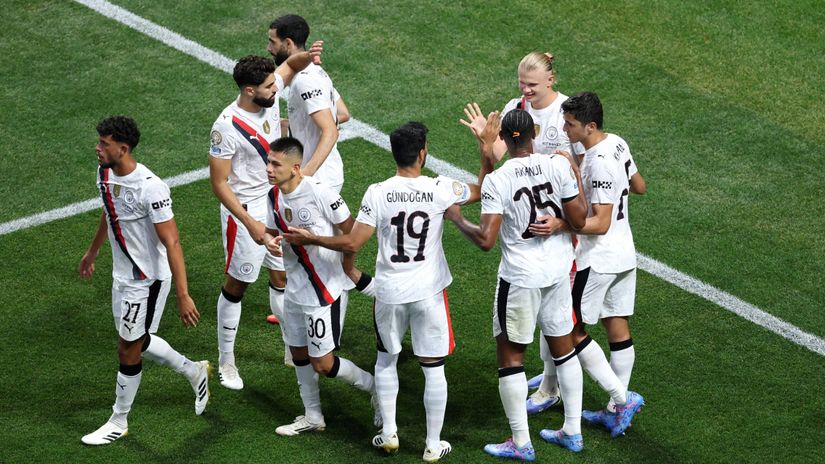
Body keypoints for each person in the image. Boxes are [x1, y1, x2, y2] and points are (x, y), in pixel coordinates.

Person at [282, 120, 490, 462]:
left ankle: (389, 432)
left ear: (395, 154)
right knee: (433, 367)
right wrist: (485, 153)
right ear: (422, 154)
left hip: (389, 292)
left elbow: (352, 241)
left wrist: (313, 238)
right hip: (428, 292)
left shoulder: (377, 192)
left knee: (386, 360)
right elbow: (482, 189)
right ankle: (432, 445)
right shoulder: (440, 188)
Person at [447, 109, 590, 457]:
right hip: (558, 271)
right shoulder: (557, 165)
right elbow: (580, 219)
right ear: (532, 134)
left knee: (510, 358)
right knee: (564, 349)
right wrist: (557, 222)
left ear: (504, 139)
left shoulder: (498, 180)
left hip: (522, 278)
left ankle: (521, 443)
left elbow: (485, 240)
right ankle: (572, 430)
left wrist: (456, 218)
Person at [460, 51, 585, 415]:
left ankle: (552, 389)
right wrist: (486, 141)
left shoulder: (566, 113)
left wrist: (564, 222)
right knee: (554, 319)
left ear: (551, 80)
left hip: (562, 230)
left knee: (554, 325)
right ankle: (551, 384)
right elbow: (498, 156)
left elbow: (582, 177)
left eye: (532, 84)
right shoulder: (516, 107)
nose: (525, 90)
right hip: (532, 226)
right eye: (521, 83)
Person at [78, 116, 209, 445]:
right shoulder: (105, 172)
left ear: (122, 149)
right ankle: (193, 371)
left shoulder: (151, 187)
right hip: (120, 276)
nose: (97, 148)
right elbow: (110, 213)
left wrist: (183, 294)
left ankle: (118, 420)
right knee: (136, 340)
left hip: (146, 280)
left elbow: (173, 242)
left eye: (104, 144)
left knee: (128, 348)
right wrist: (92, 253)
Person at [531, 92, 645, 436]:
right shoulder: (617, 143)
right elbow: (640, 186)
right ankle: (613, 411)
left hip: (599, 259)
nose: (565, 129)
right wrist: (579, 167)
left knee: (571, 330)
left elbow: (600, 222)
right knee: (617, 327)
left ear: (590, 126)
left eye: (570, 125)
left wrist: (561, 224)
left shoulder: (600, 162)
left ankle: (620, 398)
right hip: (625, 254)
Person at [209, 46, 323, 389]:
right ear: (249, 91)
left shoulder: (269, 95)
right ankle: (226, 362)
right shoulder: (226, 127)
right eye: (270, 87)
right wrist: (250, 223)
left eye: (276, 84)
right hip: (245, 210)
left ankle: (292, 345)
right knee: (238, 284)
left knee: (282, 275)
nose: (277, 90)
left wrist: (308, 53)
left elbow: (289, 65)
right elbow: (218, 183)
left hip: (276, 201)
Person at [259, 137, 379, 436]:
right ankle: (313, 416)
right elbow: (272, 230)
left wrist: (339, 261)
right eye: (269, 162)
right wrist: (268, 240)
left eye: (276, 164)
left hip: (323, 290)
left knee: (323, 364)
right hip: (295, 290)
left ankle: (375, 387)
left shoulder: (320, 194)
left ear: (296, 168)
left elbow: (352, 235)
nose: (269, 169)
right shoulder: (273, 196)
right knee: (298, 353)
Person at [267, 14, 346, 193]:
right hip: (324, 175)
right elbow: (342, 113)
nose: (269, 48)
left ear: (288, 43)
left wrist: (304, 177)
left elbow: (330, 131)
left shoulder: (305, 81)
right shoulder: (315, 71)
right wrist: (295, 121)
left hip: (318, 179)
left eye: (272, 42)